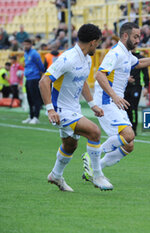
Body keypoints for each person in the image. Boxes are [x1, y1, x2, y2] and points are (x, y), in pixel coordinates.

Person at [81, 22, 150, 182]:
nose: (138, 39)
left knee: (128, 144)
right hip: (107, 101)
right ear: (125, 36)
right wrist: (115, 96)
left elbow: (139, 63)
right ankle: (91, 156)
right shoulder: (115, 53)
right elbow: (99, 75)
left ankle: (93, 169)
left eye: (139, 36)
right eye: (136, 36)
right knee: (128, 134)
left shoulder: (126, 53)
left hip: (115, 101)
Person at [39, 23, 113, 192]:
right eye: (99, 43)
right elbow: (44, 81)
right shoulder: (68, 58)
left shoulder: (86, 58)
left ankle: (55, 175)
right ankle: (97, 175)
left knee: (70, 145)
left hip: (74, 109)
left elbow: (81, 81)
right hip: (60, 110)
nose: (99, 46)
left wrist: (92, 104)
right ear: (93, 42)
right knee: (94, 132)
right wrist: (50, 109)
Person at [124, 49, 150, 135]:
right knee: (125, 108)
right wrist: (126, 78)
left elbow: (145, 73)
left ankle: (133, 128)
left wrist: (146, 87)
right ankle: (126, 127)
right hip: (125, 86)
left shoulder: (140, 58)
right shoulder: (124, 56)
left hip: (136, 86)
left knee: (134, 107)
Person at [22, 38, 45, 124]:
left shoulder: (34, 54)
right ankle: (31, 116)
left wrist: (39, 75)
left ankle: (36, 117)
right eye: (24, 44)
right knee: (29, 98)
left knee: (36, 98)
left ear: (31, 45)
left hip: (34, 78)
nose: (25, 46)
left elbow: (41, 66)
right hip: (28, 78)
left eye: (27, 44)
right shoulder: (25, 54)